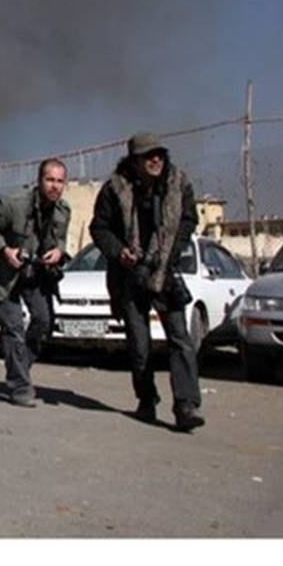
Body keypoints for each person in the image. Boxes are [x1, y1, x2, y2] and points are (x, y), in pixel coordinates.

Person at [89, 133, 204, 431]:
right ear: (134, 160)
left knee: (180, 338)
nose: (155, 160)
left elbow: (189, 220)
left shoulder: (178, 183)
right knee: (139, 344)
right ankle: (146, 399)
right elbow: (99, 228)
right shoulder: (115, 188)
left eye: (159, 155)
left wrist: (169, 251)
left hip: (165, 272)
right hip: (130, 275)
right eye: (148, 155)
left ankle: (186, 405)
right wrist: (119, 251)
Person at [0, 159, 70, 407]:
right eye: (49, 180)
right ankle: (20, 386)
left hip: (36, 274)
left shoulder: (63, 211)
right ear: (39, 180)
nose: (54, 186)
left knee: (43, 322)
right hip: (5, 276)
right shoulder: (14, 203)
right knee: (13, 328)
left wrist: (59, 251)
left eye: (59, 181)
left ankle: (19, 366)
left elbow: (61, 240)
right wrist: (5, 250)